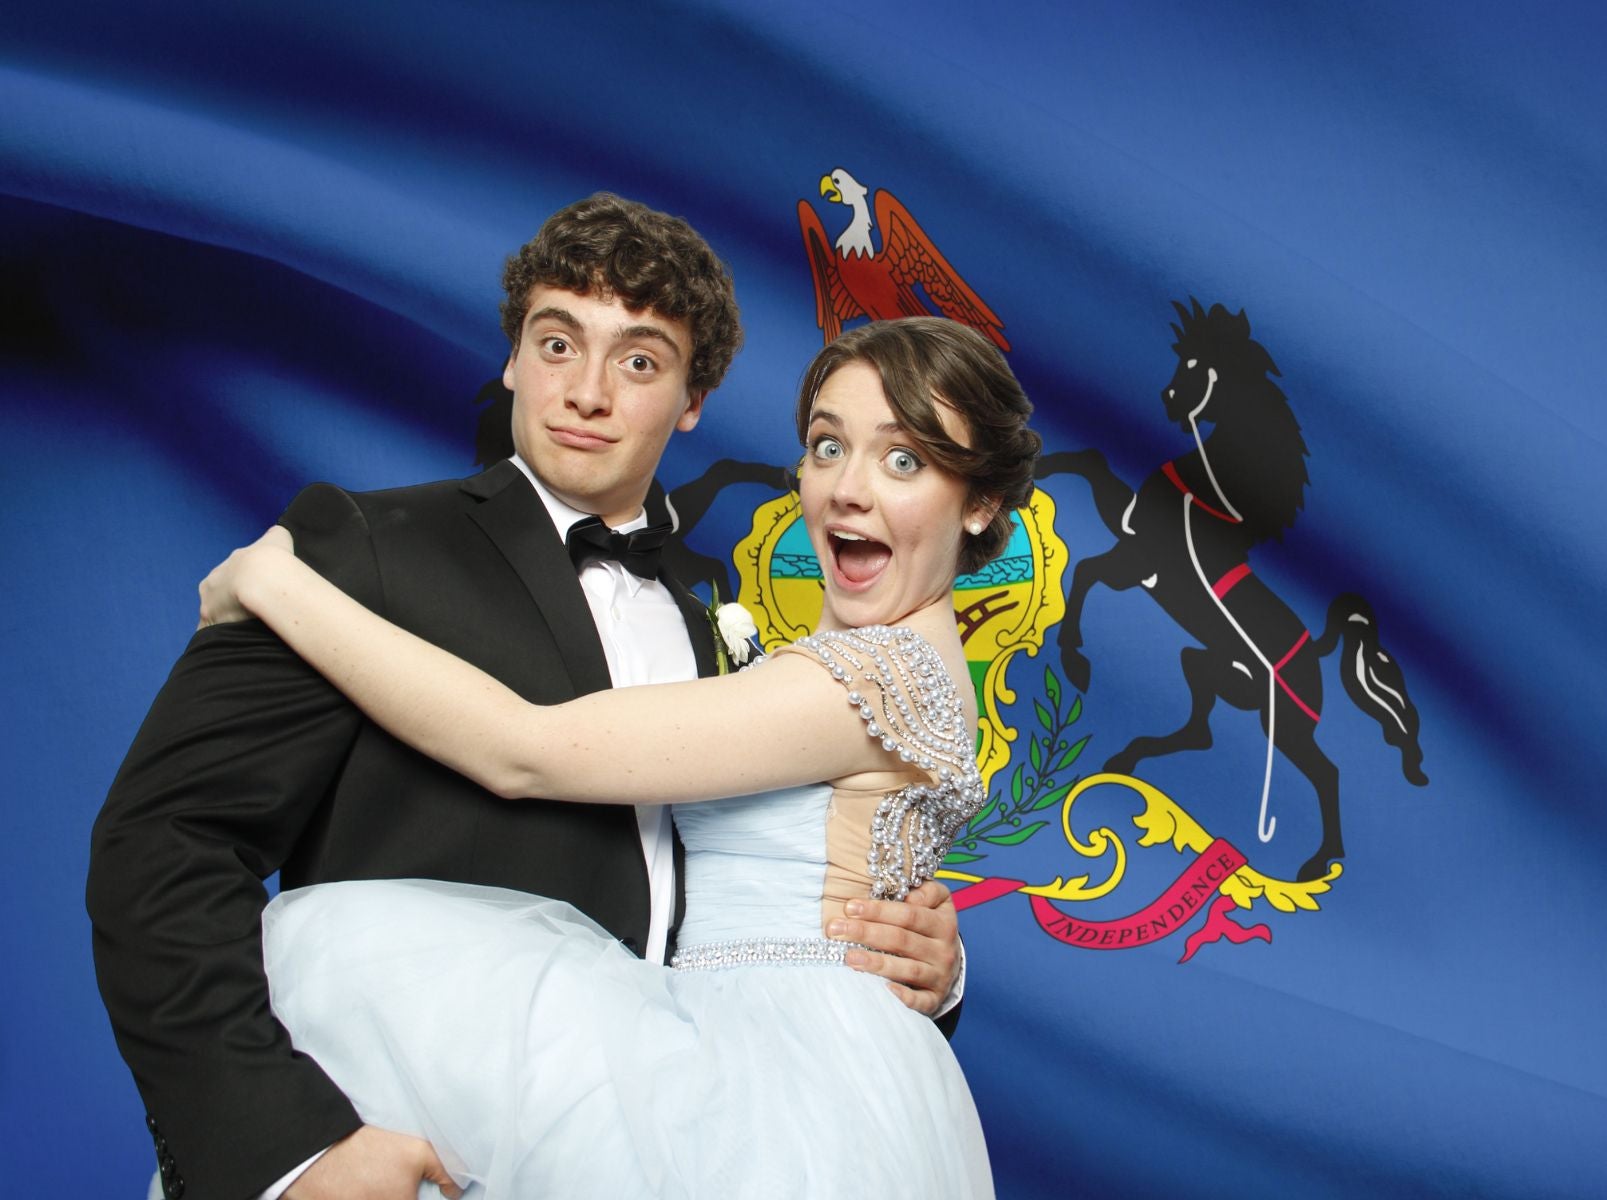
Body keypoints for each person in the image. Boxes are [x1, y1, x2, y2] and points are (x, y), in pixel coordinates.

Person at [88, 195, 966, 1200]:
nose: (586, 392)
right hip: (388, 1150)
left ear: (693, 400)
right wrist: (287, 1153)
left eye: (637, 360)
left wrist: (921, 965)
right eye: (557, 343)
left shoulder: (722, 625)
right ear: (511, 356)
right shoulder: (358, 548)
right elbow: (162, 847)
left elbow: (757, 901)